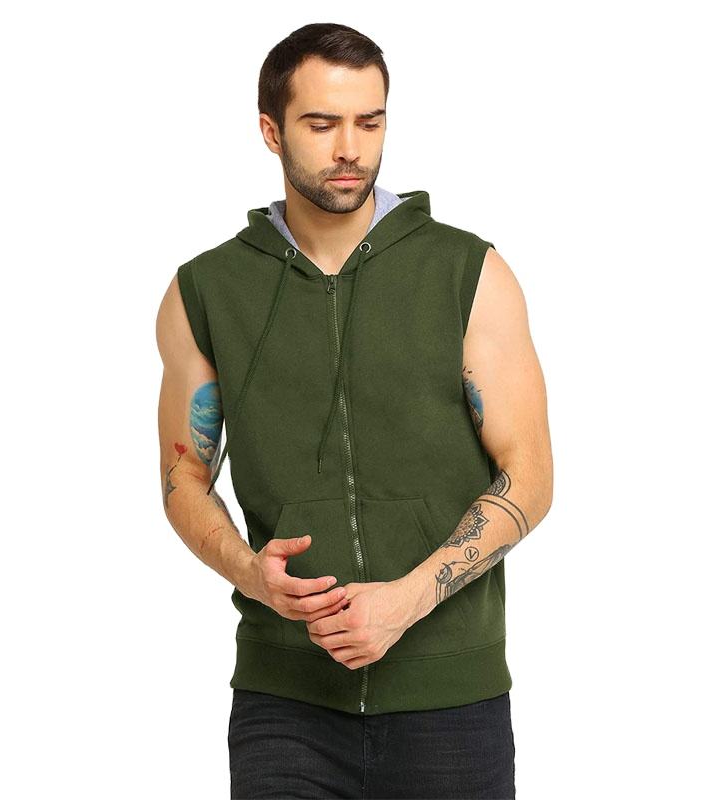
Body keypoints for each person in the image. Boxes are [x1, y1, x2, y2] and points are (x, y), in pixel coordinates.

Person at [156, 21, 553, 800]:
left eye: (369, 122)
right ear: (271, 131)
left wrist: (409, 599)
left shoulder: (468, 272)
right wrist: (250, 573)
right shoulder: (205, 291)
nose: (350, 148)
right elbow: (182, 476)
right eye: (321, 123)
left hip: (451, 700)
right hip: (285, 703)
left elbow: (530, 475)